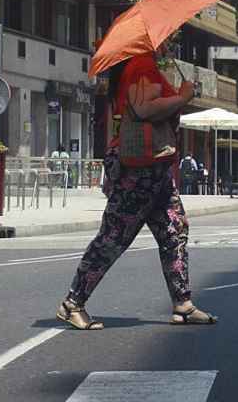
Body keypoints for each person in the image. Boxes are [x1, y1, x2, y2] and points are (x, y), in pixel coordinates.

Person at [56, 45, 217, 329]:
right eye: (169, 35)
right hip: (139, 171)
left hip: (155, 169)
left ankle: (183, 304)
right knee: (113, 238)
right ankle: (73, 303)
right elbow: (143, 108)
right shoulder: (141, 64)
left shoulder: (142, 65)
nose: (170, 40)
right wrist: (182, 96)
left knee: (174, 230)